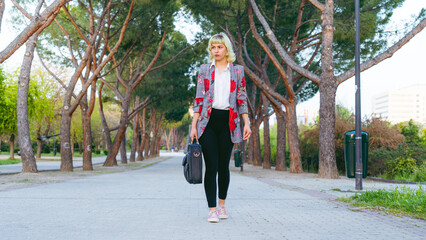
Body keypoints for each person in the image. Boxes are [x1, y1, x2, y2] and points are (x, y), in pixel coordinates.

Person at [190, 32, 251, 223]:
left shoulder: (238, 71)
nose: (216, 50)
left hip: (228, 123)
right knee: (212, 166)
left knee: (224, 167)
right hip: (207, 123)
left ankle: (222, 205)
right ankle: (212, 209)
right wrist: (193, 127)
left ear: (227, 49)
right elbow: (199, 100)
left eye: (220, 47)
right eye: (213, 47)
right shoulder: (204, 70)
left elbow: (241, 98)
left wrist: (246, 122)